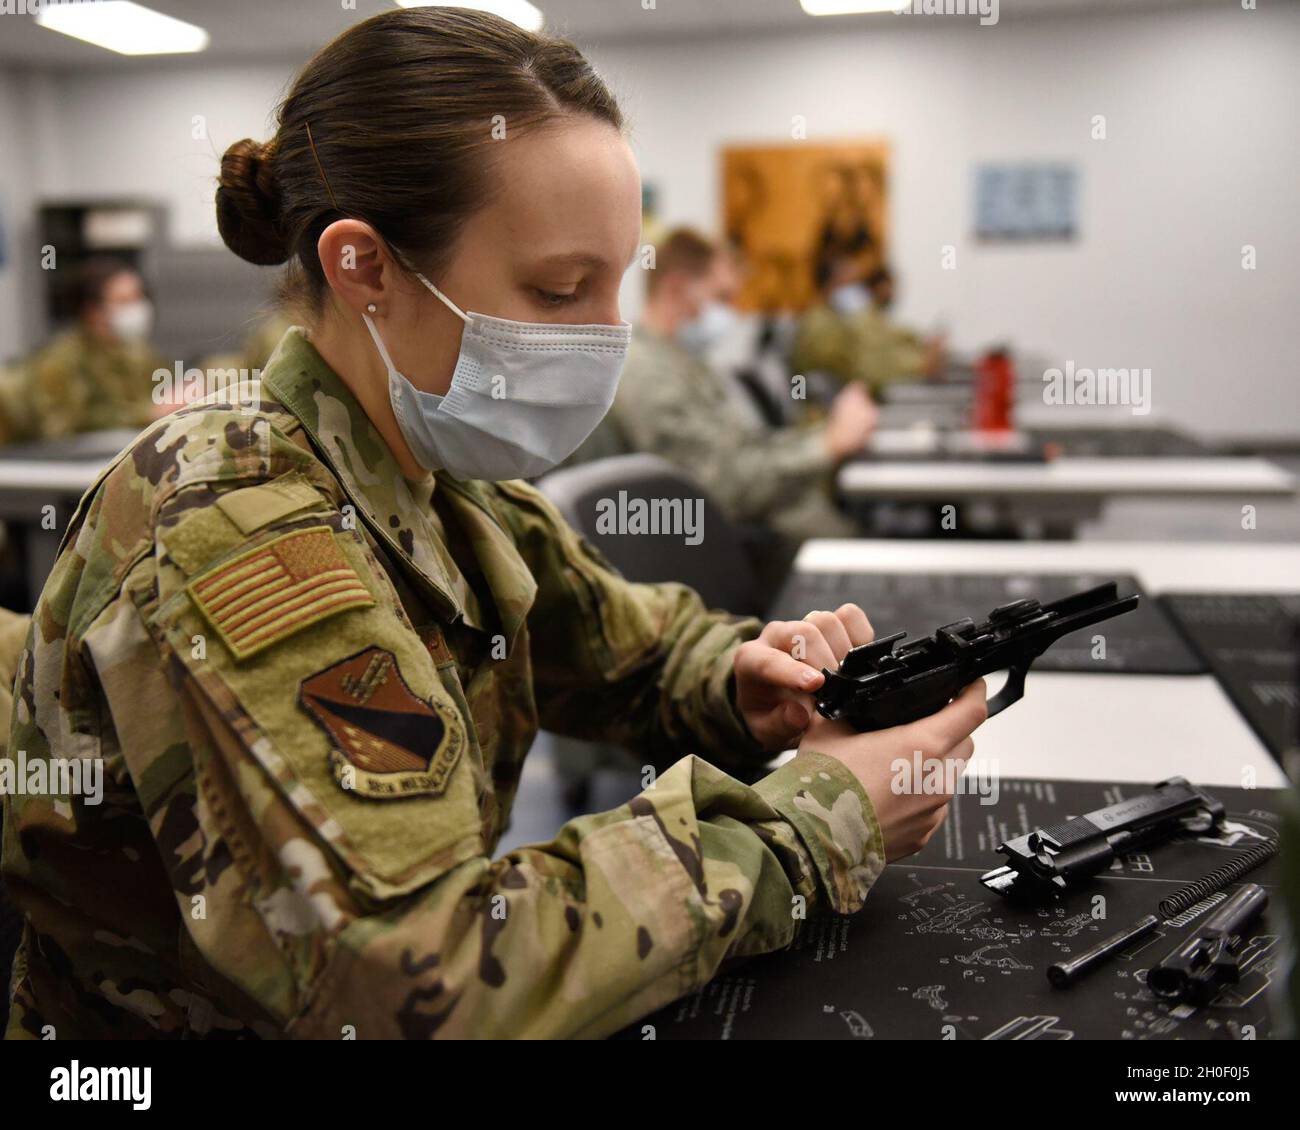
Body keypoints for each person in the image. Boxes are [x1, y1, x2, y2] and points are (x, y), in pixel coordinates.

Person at [1, 7, 984, 1040]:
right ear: (365, 268)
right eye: (560, 289)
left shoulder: (433, 465)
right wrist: (815, 820)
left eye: (617, 284)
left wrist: (746, 680)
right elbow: (417, 977)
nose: (606, 336)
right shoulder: (240, 530)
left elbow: (625, 648)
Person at [572, 228, 876, 545]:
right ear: (677, 289)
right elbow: (722, 489)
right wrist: (827, 445)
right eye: (722, 298)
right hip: (721, 554)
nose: (731, 312)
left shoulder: (682, 360)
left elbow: (745, 449)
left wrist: (825, 436)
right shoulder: (646, 373)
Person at [6, 258, 167, 440]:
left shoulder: (136, 353)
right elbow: (62, 433)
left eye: (138, 297)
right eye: (124, 300)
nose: (136, 307)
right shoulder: (61, 360)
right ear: (93, 311)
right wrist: (146, 414)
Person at [792, 256, 945, 397]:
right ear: (830, 284)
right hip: (827, 413)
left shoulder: (841, 317)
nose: (857, 291)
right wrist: (919, 365)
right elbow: (861, 368)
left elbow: (881, 346)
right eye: (850, 283)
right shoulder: (820, 323)